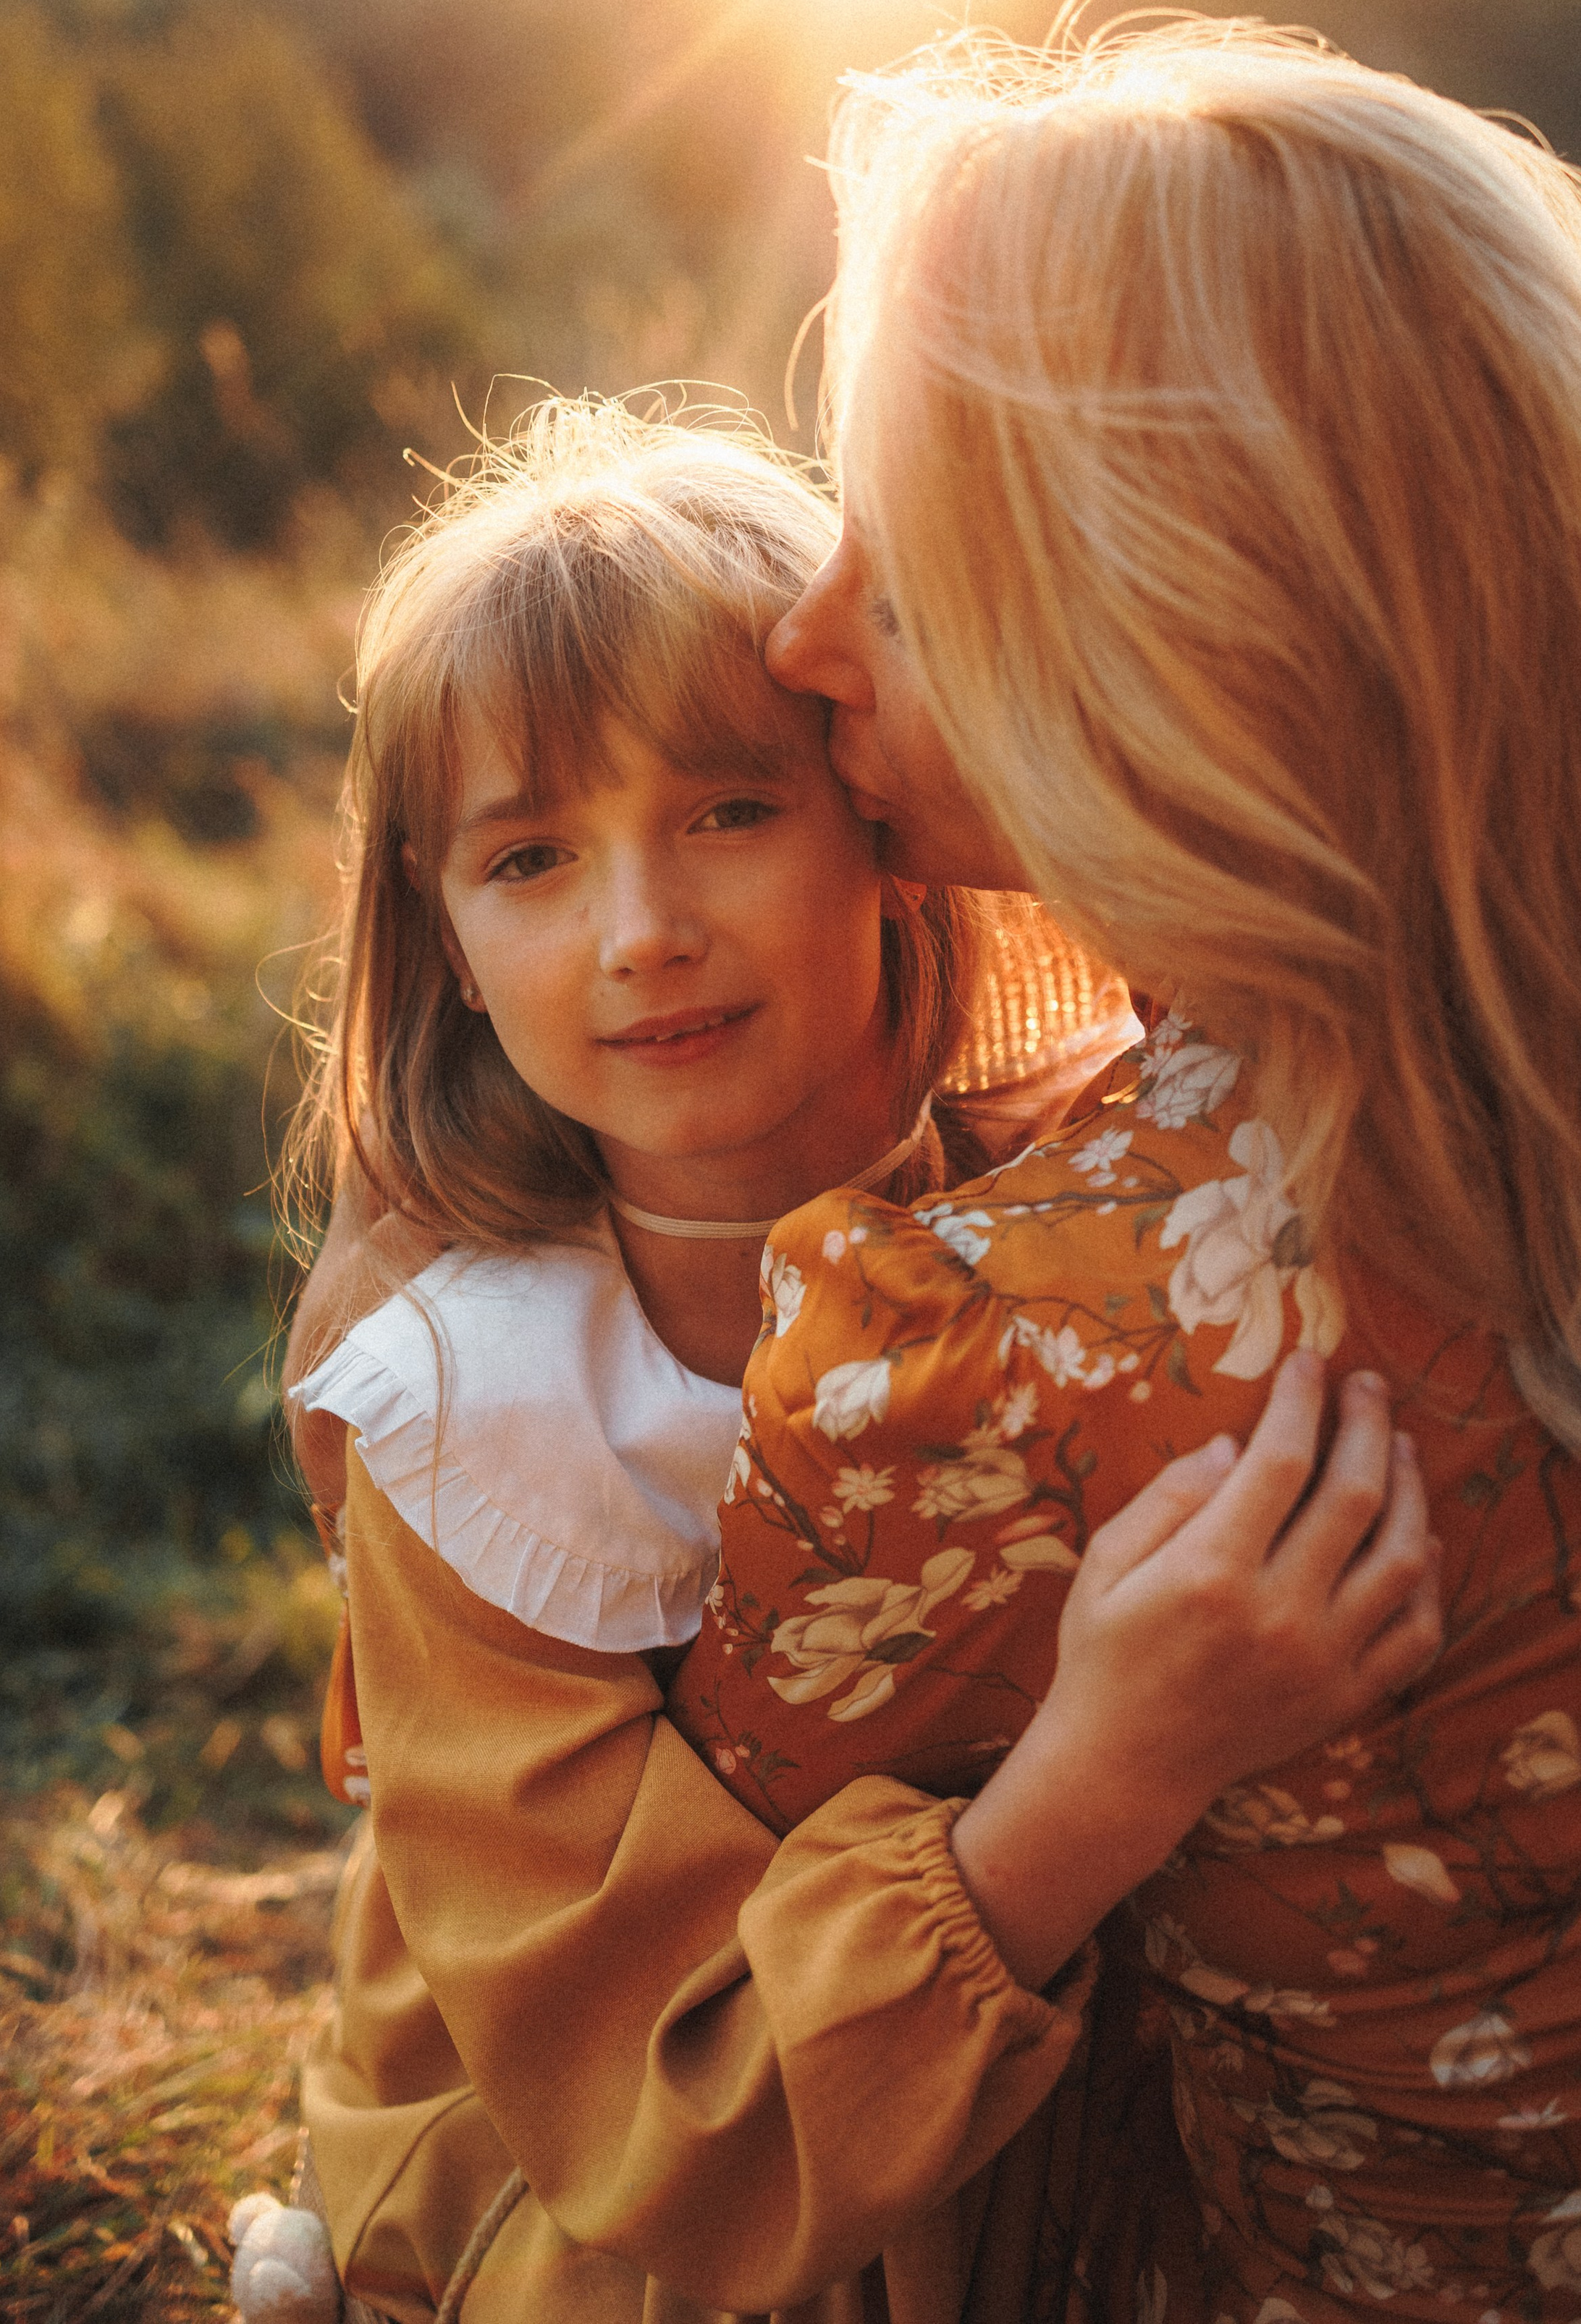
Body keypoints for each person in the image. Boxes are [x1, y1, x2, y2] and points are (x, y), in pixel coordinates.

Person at [261, 399, 1437, 2324]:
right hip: (648, 2181)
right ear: (445, 940)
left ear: (888, 823)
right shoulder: (479, 1409)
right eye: (533, 857)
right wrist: (1111, 1768)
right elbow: (654, 2117)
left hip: (1038, 2106)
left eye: (730, 811)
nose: (645, 933)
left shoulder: (1091, 1192)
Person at [665, 22, 1581, 2320]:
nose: (803, 639)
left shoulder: (1013, 1332)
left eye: (910, 566)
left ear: (1157, 625)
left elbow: (693, 2005)